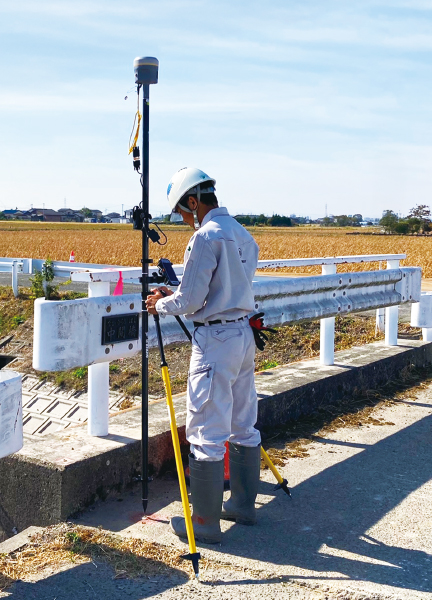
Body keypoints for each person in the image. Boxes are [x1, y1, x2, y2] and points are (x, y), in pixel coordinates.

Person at [146, 167, 261, 544]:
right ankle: (243, 505)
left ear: (193, 202)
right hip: (243, 333)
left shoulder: (205, 237)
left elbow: (191, 300)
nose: (183, 220)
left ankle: (204, 523)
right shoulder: (242, 234)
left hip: (215, 339)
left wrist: (162, 303)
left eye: (182, 212)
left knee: (205, 432)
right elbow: (225, 286)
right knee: (244, 423)